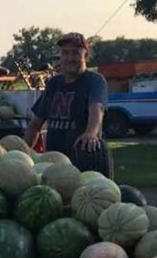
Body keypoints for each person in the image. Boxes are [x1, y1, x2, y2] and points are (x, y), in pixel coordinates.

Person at [23, 33, 108, 166]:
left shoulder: (95, 81)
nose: (70, 58)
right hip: (53, 164)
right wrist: (23, 154)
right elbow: (36, 124)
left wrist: (90, 133)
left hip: (84, 162)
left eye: (75, 53)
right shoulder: (54, 83)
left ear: (85, 56)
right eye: (65, 53)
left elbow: (97, 108)